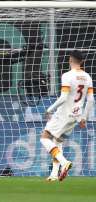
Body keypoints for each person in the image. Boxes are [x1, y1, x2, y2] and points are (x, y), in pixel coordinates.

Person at [41, 50, 94, 182]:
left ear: (70, 59)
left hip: (63, 114)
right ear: (81, 62)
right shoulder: (88, 77)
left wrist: (49, 109)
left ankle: (64, 162)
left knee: (44, 138)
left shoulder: (67, 75)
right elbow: (91, 100)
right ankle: (54, 175)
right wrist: (84, 118)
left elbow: (64, 97)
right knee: (57, 142)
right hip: (76, 116)